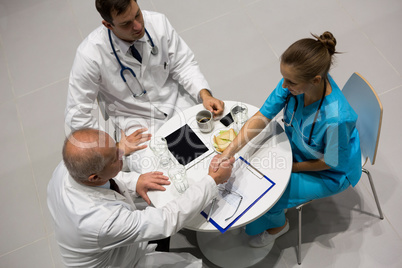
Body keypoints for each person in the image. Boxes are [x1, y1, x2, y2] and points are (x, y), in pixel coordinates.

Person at [213, 31, 362, 248]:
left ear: (315, 80)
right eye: (283, 77)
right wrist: (229, 152)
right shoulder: (296, 83)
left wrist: (291, 168)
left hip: (332, 172)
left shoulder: (336, 118)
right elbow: (263, 116)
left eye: (290, 81)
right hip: (302, 150)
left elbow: (330, 162)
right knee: (253, 168)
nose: (284, 85)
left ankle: (278, 227)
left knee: (270, 195)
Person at [65, 0, 224, 170]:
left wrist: (204, 94)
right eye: (126, 23)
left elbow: (183, 64)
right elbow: (77, 115)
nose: (138, 26)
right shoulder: (90, 56)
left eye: (137, 15)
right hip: (138, 128)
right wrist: (114, 147)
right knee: (167, 180)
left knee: (219, 153)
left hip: (178, 105)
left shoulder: (158, 23)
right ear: (108, 25)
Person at [47, 128, 234, 267]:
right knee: (190, 265)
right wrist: (212, 180)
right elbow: (166, 220)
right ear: (94, 176)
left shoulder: (69, 166)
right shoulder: (102, 221)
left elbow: (102, 177)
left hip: (99, 242)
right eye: (116, 157)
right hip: (119, 263)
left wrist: (134, 180)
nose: (123, 153)